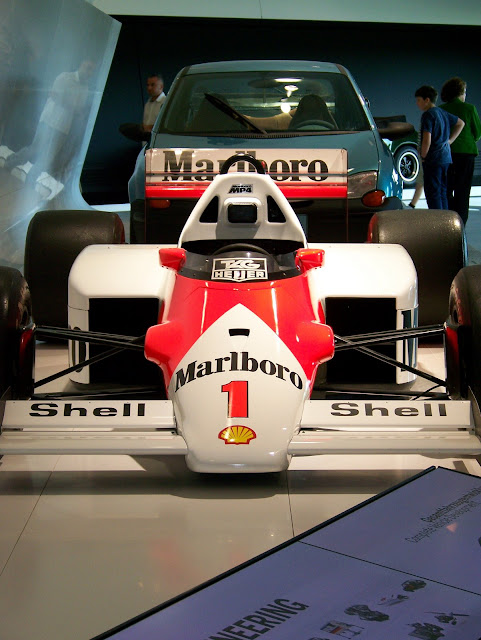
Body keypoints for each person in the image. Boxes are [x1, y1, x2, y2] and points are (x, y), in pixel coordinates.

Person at [4, 59, 95, 186]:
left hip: (63, 127)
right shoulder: (65, 77)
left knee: (48, 158)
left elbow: (79, 109)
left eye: (92, 70)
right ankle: (10, 162)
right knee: (34, 150)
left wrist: (67, 102)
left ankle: (30, 180)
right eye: (88, 68)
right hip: (49, 121)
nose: (89, 72)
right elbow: (54, 96)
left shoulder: (85, 88)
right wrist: (71, 105)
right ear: (81, 65)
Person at [415, 85, 464, 210]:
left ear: (427, 100)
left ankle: (437, 219)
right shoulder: (442, 112)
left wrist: (423, 156)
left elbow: (427, 138)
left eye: (419, 100)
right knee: (442, 192)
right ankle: (445, 219)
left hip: (433, 159)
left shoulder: (428, 115)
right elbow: (460, 123)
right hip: (445, 157)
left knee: (433, 193)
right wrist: (450, 140)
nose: (417, 103)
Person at [440, 77, 481, 224]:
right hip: (466, 154)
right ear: (460, 93)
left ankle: (449, 220)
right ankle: (461, 223)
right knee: (463, 191)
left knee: (447, 189)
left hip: (446, 154)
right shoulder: (469, 109)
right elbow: (478, 133)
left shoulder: (441, 109)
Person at [119, 72, 166, 142]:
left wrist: (149, 128)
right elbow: (145, 124)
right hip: (146, 143)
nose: (149, 88)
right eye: (148, 85)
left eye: (153, 85)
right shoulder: (148, 104)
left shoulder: (166, 103)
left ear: (161, 86)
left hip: (159, 143)